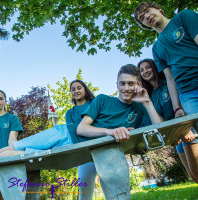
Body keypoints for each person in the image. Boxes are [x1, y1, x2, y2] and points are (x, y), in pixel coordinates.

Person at [76, 64, 162, 200]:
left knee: (116, 196)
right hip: (87, 151)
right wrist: (110, 131)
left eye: (131, 83)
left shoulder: (139, 108)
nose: (126, 88)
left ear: (139, 84)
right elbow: (81, 129)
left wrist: (147, 102)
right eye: (122, 83)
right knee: (85, 195)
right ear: (117, 85)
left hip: (110, 155)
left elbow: (159, 129)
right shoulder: (103, 99)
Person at [134, 1, 198, 181]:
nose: (146, 16)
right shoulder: (157, 48)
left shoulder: (184, 17)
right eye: (142, 18)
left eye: (148, 11)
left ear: (158, 9)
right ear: (144, 25)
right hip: (187, 92)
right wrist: (177, 107)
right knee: (194, 138)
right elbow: (170, 78)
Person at [0, 80, 94, 159]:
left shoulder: (94, 104)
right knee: (34, 149)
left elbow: (12, 138)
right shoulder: (70, 113)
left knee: (43, 153)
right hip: (67, 136)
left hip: (78, 142)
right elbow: (74, 130)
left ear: (85, 89)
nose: (76, 91)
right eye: (73, 89)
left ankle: (8, 155)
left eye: (79, 88)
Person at [138, 59, 198, 183]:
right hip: (176, 135)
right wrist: (170, 137)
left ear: (154, 68)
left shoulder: (168, 83)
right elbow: (160, 120)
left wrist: (185, 128)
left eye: (148, 67)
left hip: (189, 129)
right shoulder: (149, 95)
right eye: (142, 70)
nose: (145, 71)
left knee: (196, 169)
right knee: (194, 176)